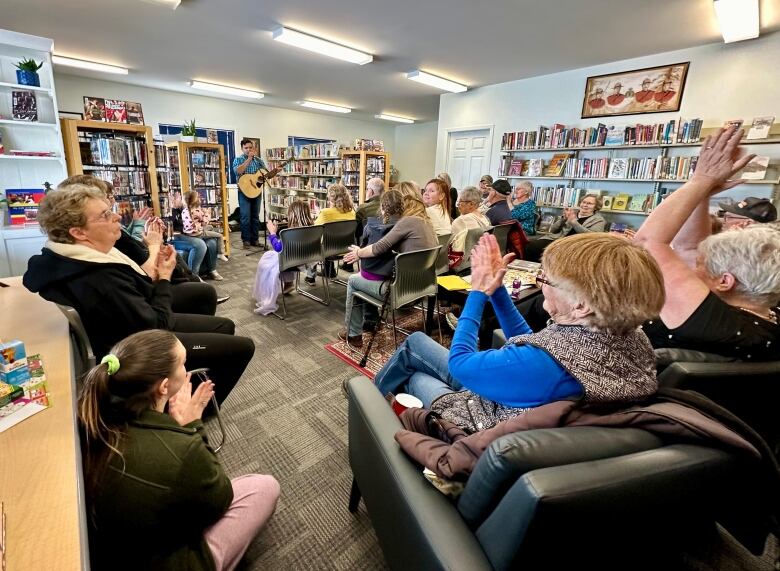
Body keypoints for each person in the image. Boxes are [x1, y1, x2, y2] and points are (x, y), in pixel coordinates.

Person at [374, 233, 663, 431]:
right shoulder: (629, 336)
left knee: (415, 375)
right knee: (415, 344)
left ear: (582, 305)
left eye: (546, 279)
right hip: (514, 395)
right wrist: (497, 290)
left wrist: (477, 291)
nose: (540, 284)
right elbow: (534, 345)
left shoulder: (547, 367)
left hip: (479, 419)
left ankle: (369, 410)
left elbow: (460, 364)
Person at [23, 184, 254, 404]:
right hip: (138, 348)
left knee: (224, 325)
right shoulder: (101, 279)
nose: (116, 217)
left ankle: (183, 392)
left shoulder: (77, 260)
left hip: (135, 324)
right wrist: (164, 277)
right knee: (242, 347)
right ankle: (191, 414)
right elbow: (158, 325)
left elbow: (141, 296)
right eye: (105, 215)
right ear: (79, 232)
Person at [79, 329, 279, 570]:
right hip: (158, 559)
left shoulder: (94, 413)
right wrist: (192, 427)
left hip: (115, 548)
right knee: (264, 487)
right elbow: (219, 499)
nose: (187, 369)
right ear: (164, 387)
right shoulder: (179, 449)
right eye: (184, 363)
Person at [634, 127, 780, 361]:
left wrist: (699, 180)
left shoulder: (715, 323)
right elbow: (690, 248)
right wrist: (703, 195)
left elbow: (643, 244)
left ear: (725, 281)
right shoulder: (764, 316)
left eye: (703, 265)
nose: (692, 267)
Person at [58, 175, 223, 314]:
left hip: (146, 288)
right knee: (197, 270)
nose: (115, 212)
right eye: (106, 197)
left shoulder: (92, 239)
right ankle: (195, 284)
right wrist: (153, 242)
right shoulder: (98, 242)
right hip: (148, 294)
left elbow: (130, 242)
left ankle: (196, 280)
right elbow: (144, 270)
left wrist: (142, 229)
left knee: (192, 252)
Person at [339, 187, 438, 347]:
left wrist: (358, 252)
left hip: (399, 293)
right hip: (423, 290)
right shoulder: (426, 223)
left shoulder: (407, 222)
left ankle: (353, 334)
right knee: (369, 276)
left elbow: (379, 247)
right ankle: (370, 321)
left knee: (353, 280)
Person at [253, 201, 317, 314]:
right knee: (273, 258)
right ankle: (288, 283)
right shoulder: (314, 229)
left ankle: (267, 294)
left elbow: (278, 248)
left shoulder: (291, 232)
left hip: (291, 261)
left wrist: (272, 233)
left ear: (292, 215)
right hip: (304, 259)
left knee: (265, 262)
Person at [524, 193, 606, 262]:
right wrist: (563, 218)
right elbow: (553, 230)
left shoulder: (599, 220)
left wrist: (574, 222)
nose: (585, 205)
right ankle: (533, 271)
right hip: (559, 239)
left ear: (596, 207)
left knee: (556, 253)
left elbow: (593, 237)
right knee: (531, 246)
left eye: (589, 203)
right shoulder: (573, 213)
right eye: (584, 202)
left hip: (576, 245)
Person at [171, 191, 222, 280]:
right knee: (200, 244)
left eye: (180, 196)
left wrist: (203, 220)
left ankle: (212, 270)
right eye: (178, 197)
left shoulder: (190, 208)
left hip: (194, 232)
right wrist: (174, 208)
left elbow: (200, 220)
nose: (180, 199)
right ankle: (194, 275)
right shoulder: (175, 211)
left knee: (212, 242)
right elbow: (173, 226)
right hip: (180, 235)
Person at [232, 138, 266, 248]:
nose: (248, 150)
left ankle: (255, 240)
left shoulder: (259, 161)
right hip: (244, 192)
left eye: (250, 147)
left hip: (256, 191)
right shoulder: (238, 159)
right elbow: (238, 171)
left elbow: (265, 174)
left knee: (255, 216)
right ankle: (246, 240)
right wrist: (249, 159)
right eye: (246, 148)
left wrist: (274, 172)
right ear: (242, 149)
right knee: (245, 216)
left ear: (254, 148)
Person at [448, 186, 490, 270]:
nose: (458, 205)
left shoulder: (461, 220)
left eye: (460, 202)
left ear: (471, 204)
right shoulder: (485, 218)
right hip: (481, 261)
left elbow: (449, 243)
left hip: (462, 264)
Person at [182, 189, 229, 264]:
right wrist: (207, 214)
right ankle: (220, 253)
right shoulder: (196, 212)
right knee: (219, 235)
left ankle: (212, 240)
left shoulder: (185, 210)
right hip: (197, 234)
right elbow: (204, 223)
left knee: (210, 227)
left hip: (188, 232)